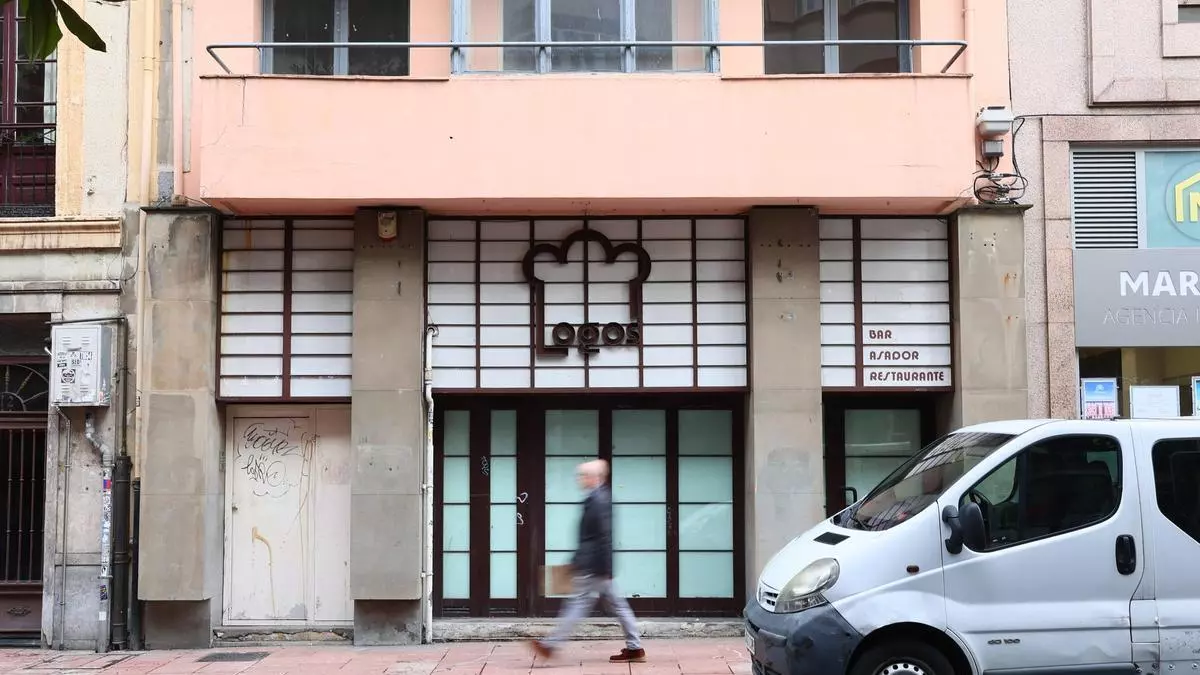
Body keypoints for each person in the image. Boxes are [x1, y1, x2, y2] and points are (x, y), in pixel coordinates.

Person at [530, 459, 645, 663]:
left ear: (594, 477)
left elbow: (602, 536)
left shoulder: (598, 500)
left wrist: (600, 566)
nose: (580, 479)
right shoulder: (597, 498)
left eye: (583, 475)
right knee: (617, 605)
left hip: (594, 566)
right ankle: (635, 648)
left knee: (578, 604)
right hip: (596, 564)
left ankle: (551, 645)